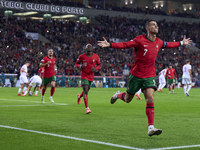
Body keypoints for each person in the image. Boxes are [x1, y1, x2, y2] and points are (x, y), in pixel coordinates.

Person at [97, 20, 192, 136]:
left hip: (149, 75)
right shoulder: (140, 39)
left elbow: (169, 45)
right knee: (127, 99)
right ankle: (117, 95)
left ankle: (151, 127)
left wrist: (182, 43)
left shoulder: (159, 42)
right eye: (153, 24)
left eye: (157, 25)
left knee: (150, 98)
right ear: (147, 28)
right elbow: (125, 44)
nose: (156, 26)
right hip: (136, 75)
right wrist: (110, 44)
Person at [75, 44, 101, 114]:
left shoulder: (96, 56)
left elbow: (99, 65)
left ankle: (79, 96)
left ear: (92, 49)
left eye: (90, 47)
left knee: (86, 91)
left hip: (91, 76)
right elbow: (76, 64)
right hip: (84, 76)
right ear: (85, 49)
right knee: (85, 90)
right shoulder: (81, 56)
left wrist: (95, 69)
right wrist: (80, 66)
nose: (89, 48)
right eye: (87, 47)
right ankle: (87, 108)